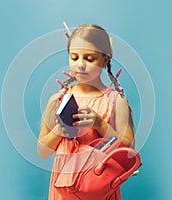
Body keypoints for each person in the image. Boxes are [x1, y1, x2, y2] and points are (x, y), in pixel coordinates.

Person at [37, 24, 135, 200]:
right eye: (74, 57)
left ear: (105, 60)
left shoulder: (115, 101)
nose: (80, 65)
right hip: (64, 189)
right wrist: (59, 131)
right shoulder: (58, 100)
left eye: (89, 59)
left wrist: (99, 124)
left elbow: (128, 151)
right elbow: (42, 152)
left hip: (98, 188)